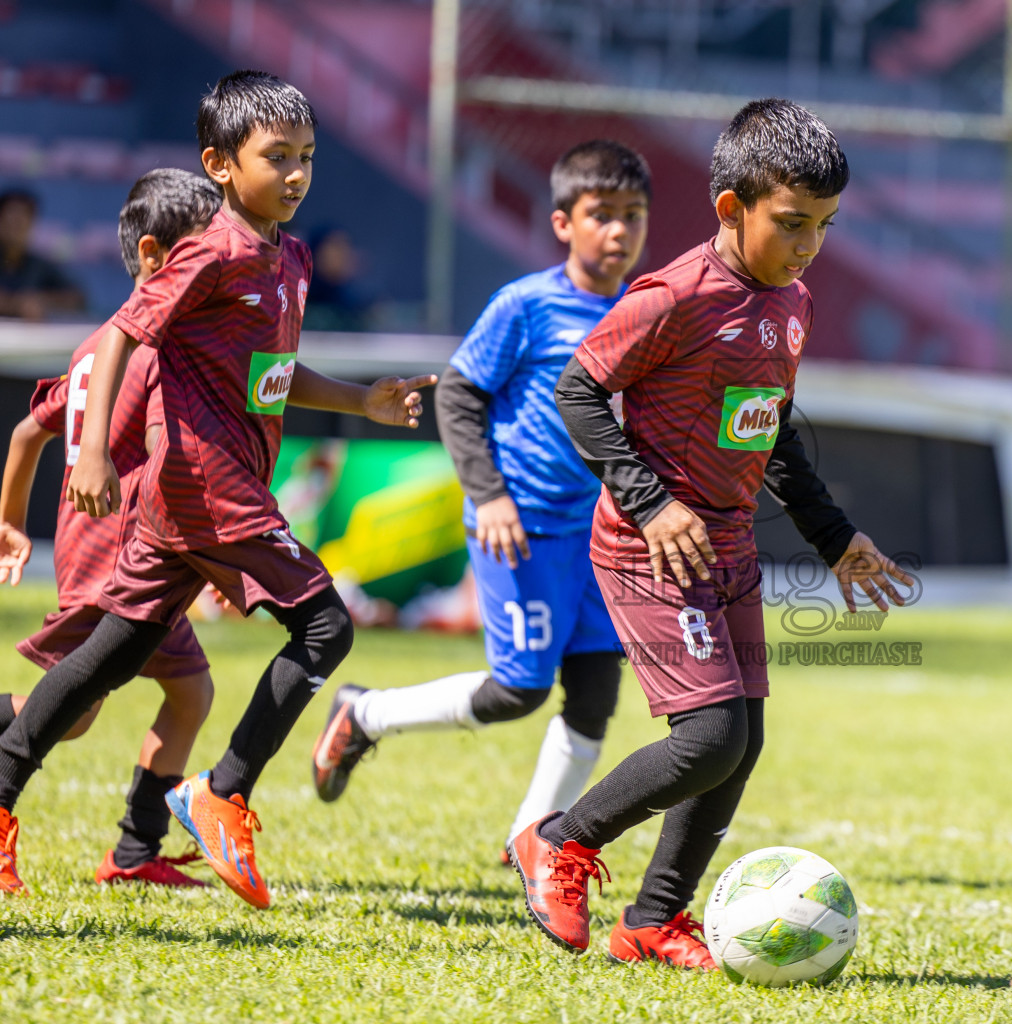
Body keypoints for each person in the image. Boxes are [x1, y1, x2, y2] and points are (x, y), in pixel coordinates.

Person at [0, 70, 435, 908]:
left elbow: (268, 376)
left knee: (107, 660)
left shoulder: (291, 256)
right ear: (221, 165)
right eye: (278, 156)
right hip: (207, 483)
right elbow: (125, 337)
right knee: (325, 626)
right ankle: (222, 791)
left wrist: (358, 399)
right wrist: (89, 455)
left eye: (308, 155)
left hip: (200, 495)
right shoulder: (209, 249)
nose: (298, 173)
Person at [509, 99, 912, 967]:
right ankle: (561, 840)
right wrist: (651, 503)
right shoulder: (674, 296)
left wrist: (835, 538)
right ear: (732, 209)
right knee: (710, 736)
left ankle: (652, 922)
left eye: (826, 227)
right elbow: (577, 393)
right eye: (794, 224)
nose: (809, 246)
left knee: (740, 742)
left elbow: (771, 433)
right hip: (647, 547)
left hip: (726, 548)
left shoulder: (791, 303)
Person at [310, 140, 650, 856]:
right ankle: (364, 715)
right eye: (602, 215)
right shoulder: (525, 306)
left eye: (633, 215)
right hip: (520, 526)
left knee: (595, 693)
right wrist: (490, 495)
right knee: (518, 691)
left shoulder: (647, 312)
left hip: (601, 538)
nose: (619, 231)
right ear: (563, 223)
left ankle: (535, 837)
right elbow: (459, 396)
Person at [0, 168, 222, 888]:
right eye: (206, 256)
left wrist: (10, 523)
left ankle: (133, 853)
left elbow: (27, 435)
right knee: (70, 713)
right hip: (115, 554)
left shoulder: (99, 342)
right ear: (159, 259)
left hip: (127, 550)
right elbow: (174, 458)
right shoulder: (159, 349)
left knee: (188, 692)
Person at [0, 188, 86, 321]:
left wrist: (41, 301)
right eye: (11, 221)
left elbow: (78, 297)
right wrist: (15, 305)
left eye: (21, 222)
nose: (15, 230)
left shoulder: (38, 266)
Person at [302, 225, 374, 331]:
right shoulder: (293, 297)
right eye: (336, 247)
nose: (343, 254)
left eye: (346, 246)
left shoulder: (355, 307)